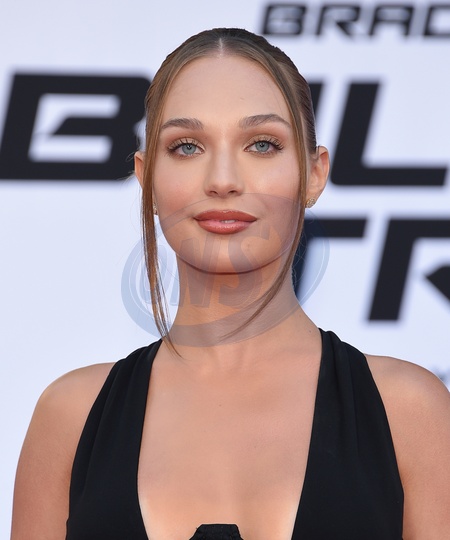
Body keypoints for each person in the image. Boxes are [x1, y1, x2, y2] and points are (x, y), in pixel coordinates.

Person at [10, 28, 450, 540]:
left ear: (314, 173)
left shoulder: (409, 413)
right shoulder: (69, 418)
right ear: (146, 177)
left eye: (262, 144)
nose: (222, 179)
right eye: (187, 146)